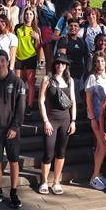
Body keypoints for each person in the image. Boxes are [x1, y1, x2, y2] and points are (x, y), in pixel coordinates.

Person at [0, 49, 27, 209]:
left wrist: (16, 126)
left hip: (11, 130)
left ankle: (14, 192)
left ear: (8, 61)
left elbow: (21, 107)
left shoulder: (17, 82)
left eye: (2, 60)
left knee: (14, 161)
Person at [37, 54, 76, 195]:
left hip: (65, 119)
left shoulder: (69, 80)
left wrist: (73, 121)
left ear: (66, 66)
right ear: (54, 64)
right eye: (58, 63)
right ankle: (44, 181)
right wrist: (45, 120)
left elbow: (73, 101)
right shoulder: (47, 79)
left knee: (61, 151)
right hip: (51, 119)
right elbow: (41, 100)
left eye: (63, 64)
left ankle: (56, 181)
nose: (60, 66)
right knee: (48, 151)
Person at [85, 51, 106, 192]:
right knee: (103, 145)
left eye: (102, 61)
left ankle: (97, 174)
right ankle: (94, 176)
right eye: (97, 61)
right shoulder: (91, 78)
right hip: (96, 116)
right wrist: (92, 118)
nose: (100, 64)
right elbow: (88, 100)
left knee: (102, 146)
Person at [14, 8, 42, 112]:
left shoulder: (36, 29)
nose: (28, 16)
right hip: (19, 57)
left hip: (31, 57)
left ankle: (29, 106)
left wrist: (37, 38)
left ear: (33, 16)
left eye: (30, 14)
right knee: (18, 82)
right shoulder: (18, 27)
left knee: (30, 82)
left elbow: (38, 48)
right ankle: (18, 104)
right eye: (26, 14)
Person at [55, 17, 88, 92]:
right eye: (71, 26)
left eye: (75, 26)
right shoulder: (64, 40)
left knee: (79, 98)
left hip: (80, 74)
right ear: (67, 27)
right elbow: (61, 58)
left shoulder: (82, 41)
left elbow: (86, 56)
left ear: (79, 28)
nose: (73, 27)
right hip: (68, 74)